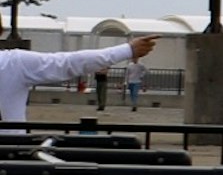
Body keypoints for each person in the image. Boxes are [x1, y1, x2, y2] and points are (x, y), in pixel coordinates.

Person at [1, 34, 163, 126]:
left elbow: (70, 62)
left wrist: (127, 50)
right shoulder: (13, 62)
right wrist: (127, 50)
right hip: (11, 158)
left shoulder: (13, 63)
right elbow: (70, 63)